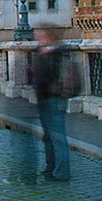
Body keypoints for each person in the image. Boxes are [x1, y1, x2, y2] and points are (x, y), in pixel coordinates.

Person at [31, 27, 71, 182]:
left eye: (41, 35)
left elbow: (54, 76)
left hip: (55, 98)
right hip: (44, 99)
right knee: (48, 136)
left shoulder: (58, 54)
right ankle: (50, 167)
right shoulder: (42, 52)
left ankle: (61, 173)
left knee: (58, 138)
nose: (38, 38)